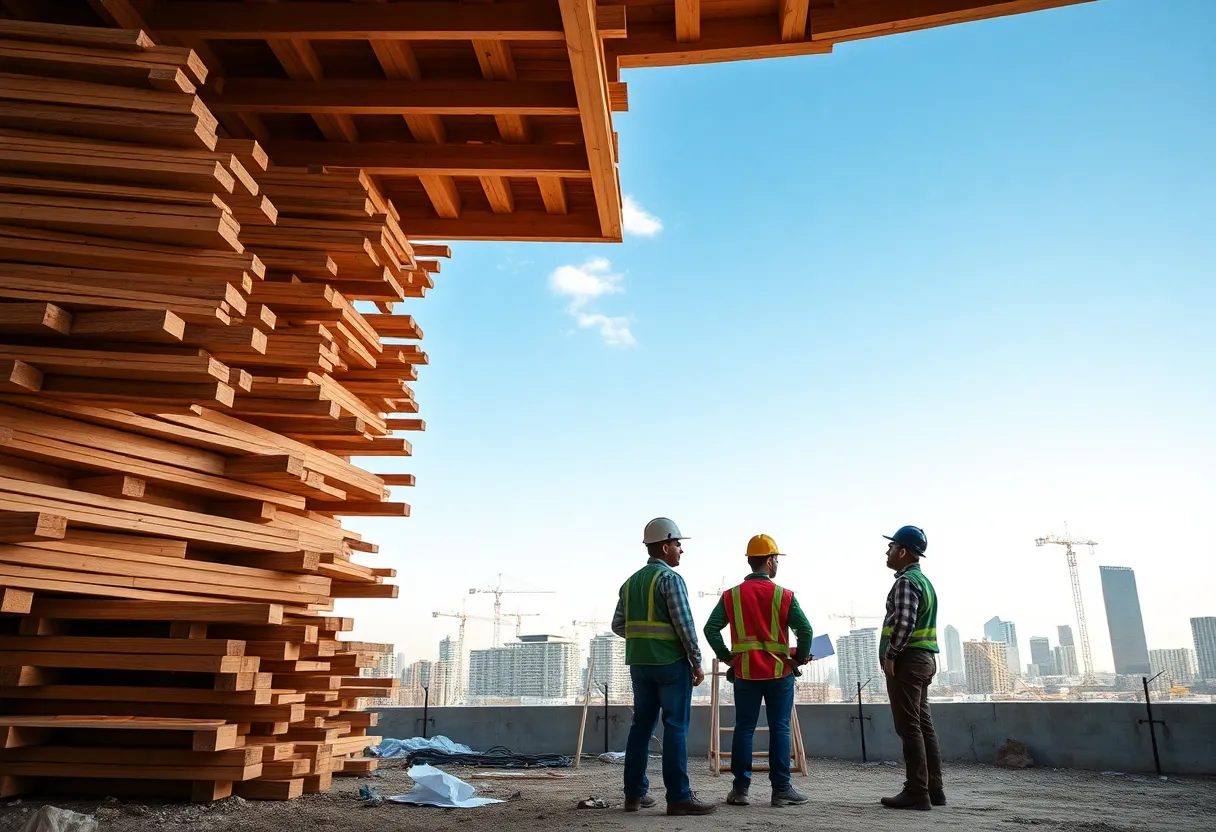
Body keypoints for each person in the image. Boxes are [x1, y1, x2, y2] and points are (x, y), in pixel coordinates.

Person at [611, 517, 716, 816]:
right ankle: (679, 797)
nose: (681, 551)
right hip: (671, 665)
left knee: (641, 727)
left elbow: (618, 625)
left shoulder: (630, 582)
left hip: (639, 665)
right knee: (675, 728)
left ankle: (634, 795)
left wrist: (643, 640)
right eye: (679, 545)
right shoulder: (670, 580)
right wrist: (696, 662)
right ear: (665, 545)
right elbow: (685, 625)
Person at [703, 534, 813, 807]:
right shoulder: (783, 595)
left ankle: (740, 790)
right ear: (768, 561)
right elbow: (806, 630)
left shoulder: (732, 596)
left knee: (744, 729)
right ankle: (781, 790)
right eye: (776, 559)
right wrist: (796, 660)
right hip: (779, 673)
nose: (777, 564)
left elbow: (710, 629)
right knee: (780, 728)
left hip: (746, 674)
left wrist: (729, 659)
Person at [878, 525, 945, 811]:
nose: (887, 551)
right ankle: (934, 789)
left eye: (891, 547)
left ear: (903, 551)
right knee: (923, 725)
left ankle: (917, 792)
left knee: (909, 727)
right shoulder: (924, 581)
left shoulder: (906, 582)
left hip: (908, 662)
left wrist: (891, 654)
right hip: (923, 661)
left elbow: (905, 623)